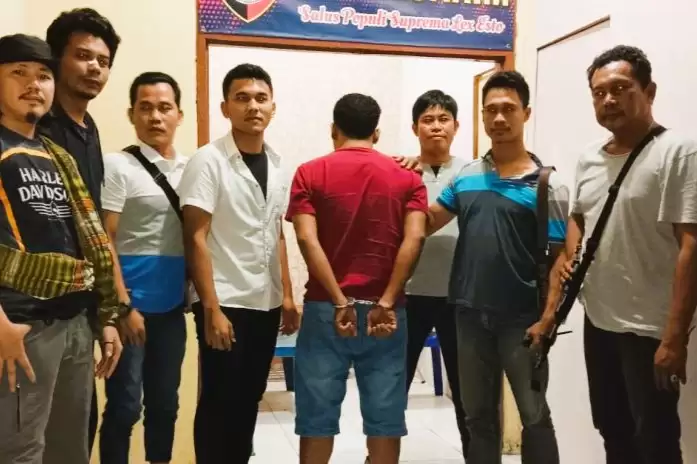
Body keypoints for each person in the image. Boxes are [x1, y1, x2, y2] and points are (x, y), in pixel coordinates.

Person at [533, 45, 697, 464]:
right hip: (600, 321)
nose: (609, 99)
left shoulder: (679, 152)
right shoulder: (590, 158)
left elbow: (691, 247)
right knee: (612, 430)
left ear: (649, 91)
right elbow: (580, 217)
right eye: (599, 92)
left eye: (621, 89)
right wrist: (572, 259)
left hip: (650, 329)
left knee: (657, 441)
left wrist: (675, 337)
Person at [427, 71, 567, 464]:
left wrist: (549, 318)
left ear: (526, 113)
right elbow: (427, 221)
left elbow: (561, 259)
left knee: (534, 417)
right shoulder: (466, 176)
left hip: (523, 321)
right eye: (491, 110)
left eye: (509, 109)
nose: (499, 118)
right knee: (477, 419)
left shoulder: (547, 184)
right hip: (469, 315)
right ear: (482, 116)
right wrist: (399, 176)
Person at [286, 93, 428, 464]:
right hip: (387, 314)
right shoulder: (408, 177)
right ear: (376, 133)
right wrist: (387, 300)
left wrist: (339, 300)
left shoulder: (309, 173)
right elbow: (415, 237)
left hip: (325, 310)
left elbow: (306, 238)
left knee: (317, 419)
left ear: (334, 129)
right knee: (385, 420)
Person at [0, 33, 122, 464]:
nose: (34, 84)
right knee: (20, 451)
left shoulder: (57, 156)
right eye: (19, 73)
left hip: (74, 324)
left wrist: (105, 318)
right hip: (18, 327)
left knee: (70, 449)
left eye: (44, 75)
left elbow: (87, 242)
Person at [178, 63, 300, 464]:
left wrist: (286, 295)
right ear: (225, 107)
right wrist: (211, 308)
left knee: (249, 397)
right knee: (220, 399)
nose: (253, 106)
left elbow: (276, 232)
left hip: (266, 301)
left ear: (273, 107)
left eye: (261, 98)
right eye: (242, 98)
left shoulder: (278, 164)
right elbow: (195, 236)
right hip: (225, 301)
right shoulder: (208, 160)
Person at [38, 7, 122, 455]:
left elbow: (92, 231)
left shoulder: (89, 130)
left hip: (78, 308)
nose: (94, 68)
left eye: (103, 61)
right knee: (26, 440)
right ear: (56, 58)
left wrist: (104, 315)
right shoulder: (31, 125)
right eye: (83, 56)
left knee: (75, 434)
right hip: (30, 310)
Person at [99, 72, 188, 464]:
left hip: (171, 309)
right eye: (145, 107)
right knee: (124, 406)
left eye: (164, 108)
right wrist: (122, 307)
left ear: (179, 115)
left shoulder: (192, 168)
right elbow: (105, 239)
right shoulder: (117, 165)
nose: (155, 116)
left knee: (165, 405)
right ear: (131, 114)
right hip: (130, 306)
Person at [403, 90, 470, 457]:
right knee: (393, 386)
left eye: (443, 119)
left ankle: (476, 454)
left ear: (456, 126)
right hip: (408, 295)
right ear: (415, 128)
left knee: (467, 390)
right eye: (427, 120)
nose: (436, 126)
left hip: (460, 296)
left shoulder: (473, 173)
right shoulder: (402, 172)